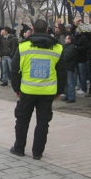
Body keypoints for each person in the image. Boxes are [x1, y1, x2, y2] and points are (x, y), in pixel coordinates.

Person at [10, 19, 67, 160]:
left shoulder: (23, 47)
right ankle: (37, 152)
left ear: (33, 30)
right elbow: (62, 72)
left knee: (22, 120)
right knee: (43, 122)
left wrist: (16, 89)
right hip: (47, 92)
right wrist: (59, 91)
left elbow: (14, 69)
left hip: (27, 90)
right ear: (47, 30)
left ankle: (19, 148)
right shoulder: (58, 48)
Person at [62, 34, 77, 103]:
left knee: (70, 82)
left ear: (70, 40)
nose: (65, 39)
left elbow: (66, 56)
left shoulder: (71, 47)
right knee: (66, 83)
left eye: (66, 38)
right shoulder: (65, 47)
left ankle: (71, 97)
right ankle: (67, 95)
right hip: (65, 66)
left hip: (69, 66)